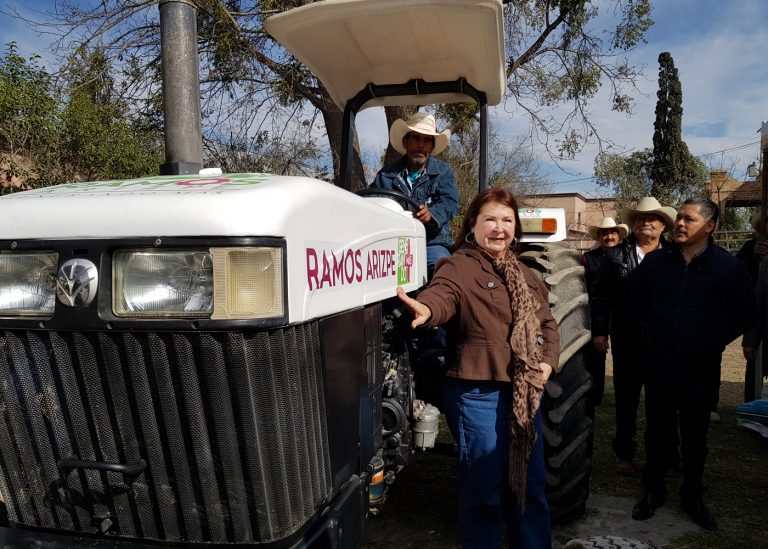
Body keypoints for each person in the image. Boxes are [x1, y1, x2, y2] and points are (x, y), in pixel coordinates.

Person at [396, 188, 560, 548]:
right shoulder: (460, 265)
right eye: (490, 219)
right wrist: (426, 310)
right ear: (473, 224)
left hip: (524, 393)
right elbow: (444, 293)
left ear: (515, 228)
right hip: (477, 395)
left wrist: (547, 365)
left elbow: (547, 324)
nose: (499, 228)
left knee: (529, 487)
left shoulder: (526, 275)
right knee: (483, 489)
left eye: (506, 220)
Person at [631, 198, 756, 530]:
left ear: (709, 226)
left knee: (695, 434)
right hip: (659, 363)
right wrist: (654, 334)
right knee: (657, 430)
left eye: (689, 219)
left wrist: (712, 340)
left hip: (700, 367)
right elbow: (635, 303)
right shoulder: (656, 264)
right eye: (679, 218)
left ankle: (691, 494)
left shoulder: (729, 268)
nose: (680, 224)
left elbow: (745, 313)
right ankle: (653, 490)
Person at [591, 197, 675, 474]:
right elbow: (600, 297)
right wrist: (600, 332)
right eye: (640, 218)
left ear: (663, 225)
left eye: (653, 218)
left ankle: (663, 454)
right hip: (627, 340)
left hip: (664, 342)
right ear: (633, 224)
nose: (646, 223)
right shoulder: (614, 256)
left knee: (662, 401)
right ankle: (624, 453)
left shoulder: (674, 257)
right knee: (626, 400)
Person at [371, 112, 459, 277]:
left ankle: (434, 303)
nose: (421, 145)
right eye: (416, 139)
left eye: (426, 141)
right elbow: (372, 203)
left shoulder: (443, 172)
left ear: (432, 147)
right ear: (406, 142)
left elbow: (450, 202)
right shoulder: (385, 176)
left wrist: (432, 214)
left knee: (442, 266)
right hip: (392, 246)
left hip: (431, 243)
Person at [580, 217, 629, 409]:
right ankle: (595, 393)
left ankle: (624, 395)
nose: (609, 236)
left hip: (621, 311)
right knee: (596, 354)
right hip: (595, 310)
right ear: (600, 237)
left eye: (612, 232)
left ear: (618, 236)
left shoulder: (627, 256)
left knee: (624, 355)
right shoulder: (587, 259)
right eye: (604, 233)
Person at [738, 212, 768, 402]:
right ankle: (751, 407)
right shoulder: (751, 247)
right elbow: (737, 274)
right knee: (755, 363)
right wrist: (752, 256)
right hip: (759, 315)